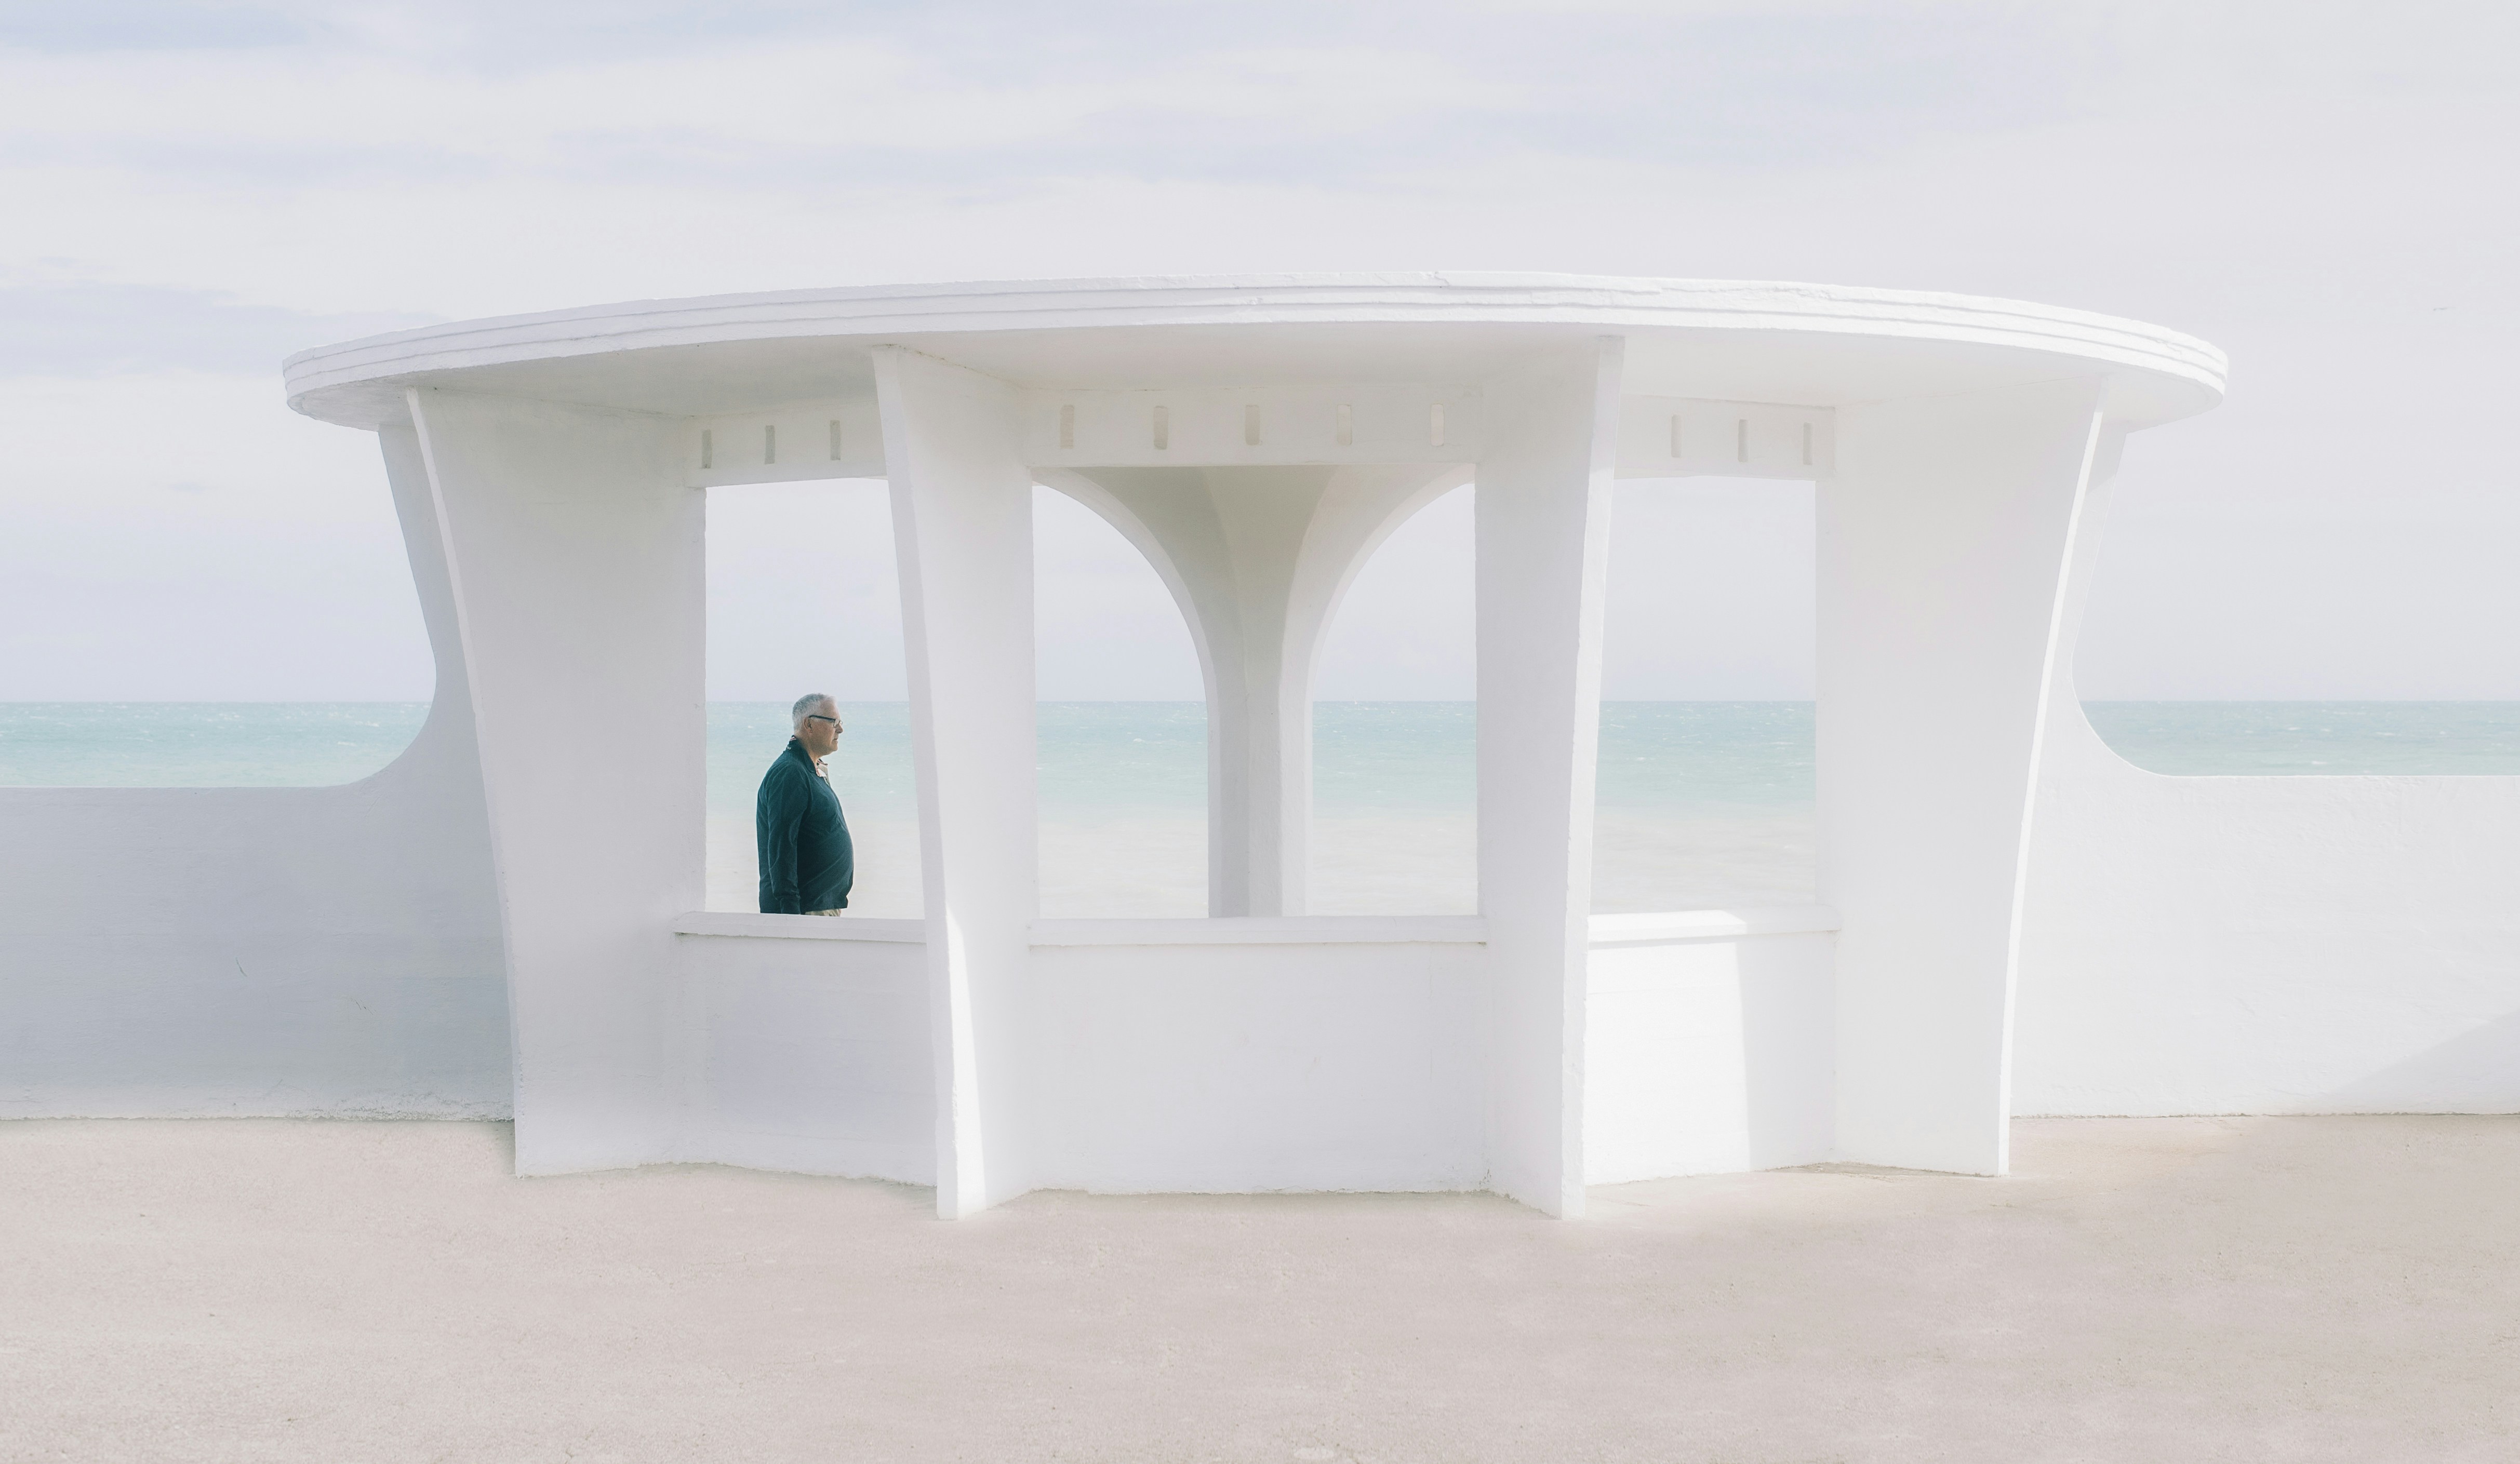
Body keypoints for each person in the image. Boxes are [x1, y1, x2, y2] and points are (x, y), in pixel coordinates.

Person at [757, 693, 854, 915]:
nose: (840, 730)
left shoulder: (810, 768)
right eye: (834, 722)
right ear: (809, 724)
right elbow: (782, 847)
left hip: (818, 907)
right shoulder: (790, 773)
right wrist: (790, 914)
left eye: (841, 723)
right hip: (804, 911)